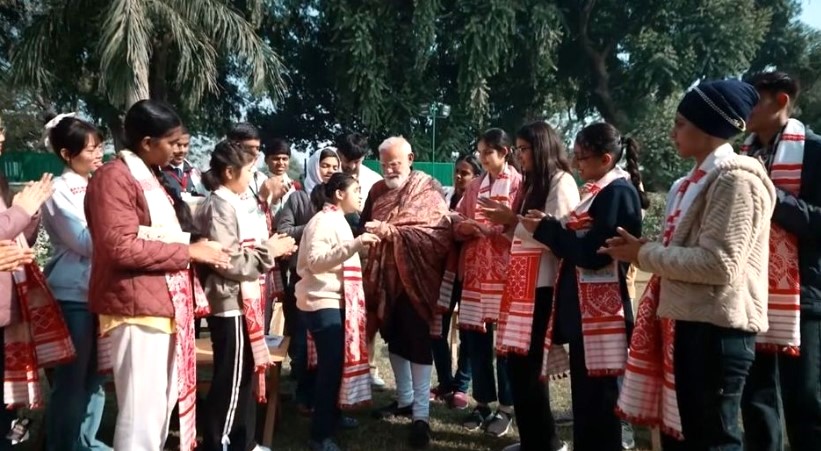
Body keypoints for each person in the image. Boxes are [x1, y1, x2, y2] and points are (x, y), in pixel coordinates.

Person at [603, 80, 774, 450]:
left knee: (714, 437)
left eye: (681, 123)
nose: (672, 132)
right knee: (690, 433)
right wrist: (647, 250)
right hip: (689, 323)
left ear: (710, 125)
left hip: (718, 330)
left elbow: (719, 264)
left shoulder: (736, 181)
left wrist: (644, 255)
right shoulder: (689, 183)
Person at [85, 100, 231, 451]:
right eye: (171, 141)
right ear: (147, 142)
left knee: (161, 405)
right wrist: (189, 252)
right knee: (142, 412)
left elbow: (153, 234)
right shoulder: (114, 177)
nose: (178, 149)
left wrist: (196, 243)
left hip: (159, 304)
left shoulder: (148, 175)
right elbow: (119, 247)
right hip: (135, 306)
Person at [514, 122, 645, 451]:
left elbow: (593, 253)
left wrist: (546, 230)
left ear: (605, 159)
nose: (576, 164)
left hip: (603, 314)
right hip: (585, 314)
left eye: (582, 158)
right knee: (587, 401)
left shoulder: (618, 193)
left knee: (601, 402)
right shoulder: (598, 192)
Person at [479, 121, 578, 451]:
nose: (519, 155)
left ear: (541, 147)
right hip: (521, 285)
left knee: (532, 369)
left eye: (523, 149)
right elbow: (522, 235)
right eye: (518, 149)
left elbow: (560, 237)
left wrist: (513, 221)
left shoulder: (561, 183)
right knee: (518, 367)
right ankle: (532, 439)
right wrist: (507, 222)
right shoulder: (531, 184)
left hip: (544, 286)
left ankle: (546, 443)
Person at [195, 139, 296, 451]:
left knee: (245, 373)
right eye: (249, 173)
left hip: (246, 298)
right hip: (230, 301)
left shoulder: (235, 202)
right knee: (231, 377)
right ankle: (217, 442)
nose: (253, 180)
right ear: (228, 172)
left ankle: (243, 440)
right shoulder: (219, 205)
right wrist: (271, 251)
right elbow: (228, 260)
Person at [739, 71, 821, 451]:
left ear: (782, 101)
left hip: (803, 293)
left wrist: (771, 194)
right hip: (749, 295)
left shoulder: (816, 151)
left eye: (753, 99)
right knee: (755, 400)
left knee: (805, 400)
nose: (745, 108)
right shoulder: (741, 156)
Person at [363, 137, 452, 448]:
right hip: (384, 280)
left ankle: (422, 415)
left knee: (417, 341)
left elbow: (439, 234)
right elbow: (365, 226)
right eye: (384, 163)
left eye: (395, 162)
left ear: (411, 158)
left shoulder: (429, 188)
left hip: (419, 278)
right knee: (394, 335)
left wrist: (394, 233)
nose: (389, 169)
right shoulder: (376, 191)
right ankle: (404, 400)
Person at [40, 114, 111, 451]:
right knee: (71, 380)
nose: (98, 155)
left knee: (97, 376)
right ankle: (62, 443)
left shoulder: (100, 183)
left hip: (101, 293)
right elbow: (83, 241)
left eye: (100, 148)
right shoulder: (58, 189)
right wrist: (119, 232)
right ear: (68, 154)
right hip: (74, 295)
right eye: (91, 149)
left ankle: (87, 441)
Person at [443, 129, 519, 436]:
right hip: (476, 273)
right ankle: (483, 403)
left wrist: (503, 226)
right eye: (480, 153)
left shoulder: (520, 185)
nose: (482, 159)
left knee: (505, 346)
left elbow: (524, 226)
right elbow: (454, 219)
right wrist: (467, 227)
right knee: (476, 342)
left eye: (487, 153)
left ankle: (507, 407)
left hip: (506, 274)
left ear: (504, 152)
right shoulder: (475, 186)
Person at [296, 172, 379, 451]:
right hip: (323, 302)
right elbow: (316, 261)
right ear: (339, 194)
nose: (360, 195)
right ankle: (320, 435)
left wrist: (361, 248)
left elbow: (339, 257)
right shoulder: (323, 221)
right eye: (356, 190)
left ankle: (333, 415)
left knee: (335, 365)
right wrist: (356, 244)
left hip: (334, 301)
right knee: (329, 369)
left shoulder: (338, 220)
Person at [276, 147, 341, 415]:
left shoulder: (343, 198)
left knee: (329, 348)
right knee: (303, 343)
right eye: (325, 166)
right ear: (315, 166)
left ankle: (328, 401)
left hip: (333, 285)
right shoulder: (299, 198)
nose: (329, 171)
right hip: (303, 281)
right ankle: (304, 396)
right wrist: (316, 223)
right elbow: (284, 231)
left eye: (334, 166)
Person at [431, 154, 482, 410]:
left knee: (468, 332)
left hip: (471, 272)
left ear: (476, 176)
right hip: (446, 272)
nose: (460, 176)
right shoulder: (446, 197)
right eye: (457, 171)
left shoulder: (479, 200)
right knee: (436, 328)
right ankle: (445, 382)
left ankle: (461, 386)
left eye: (466, 172)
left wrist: (459, 227)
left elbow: (473, 229)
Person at [335, 132, 385, 388]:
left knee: (365, 312)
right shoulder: (327, 173)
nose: (351, 165)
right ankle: (336, 367)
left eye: (357, 160)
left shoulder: (375, 182)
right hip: (332, 255)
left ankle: (369, 366)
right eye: (347, 159)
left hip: (363, 256)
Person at [161, 126, 203, 198]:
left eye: (185, 145)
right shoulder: (158, 173)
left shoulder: (195, 174)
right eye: (178, 145)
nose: (182, 150)